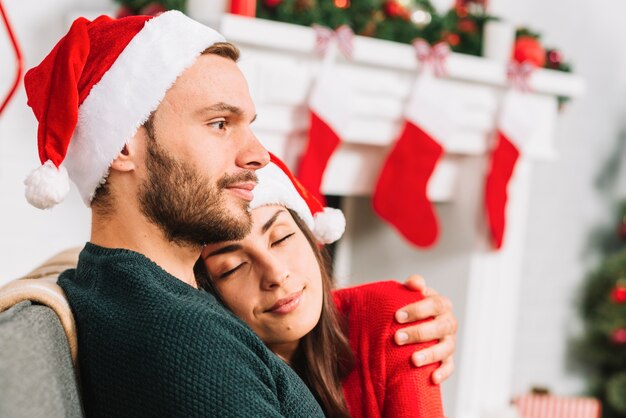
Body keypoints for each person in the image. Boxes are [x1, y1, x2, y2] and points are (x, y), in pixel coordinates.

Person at [22, 11, 456, 417]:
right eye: (219, 124)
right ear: (121, 147)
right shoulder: (187, 345)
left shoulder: (119, 284)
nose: (258, 154)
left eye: (248, 124)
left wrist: (375, 318)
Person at [198, 154, 446, 417]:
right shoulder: (209, 379)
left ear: (309, 236)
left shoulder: (394, 316)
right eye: (233, 267)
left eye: (282, 238)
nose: (277, 274)